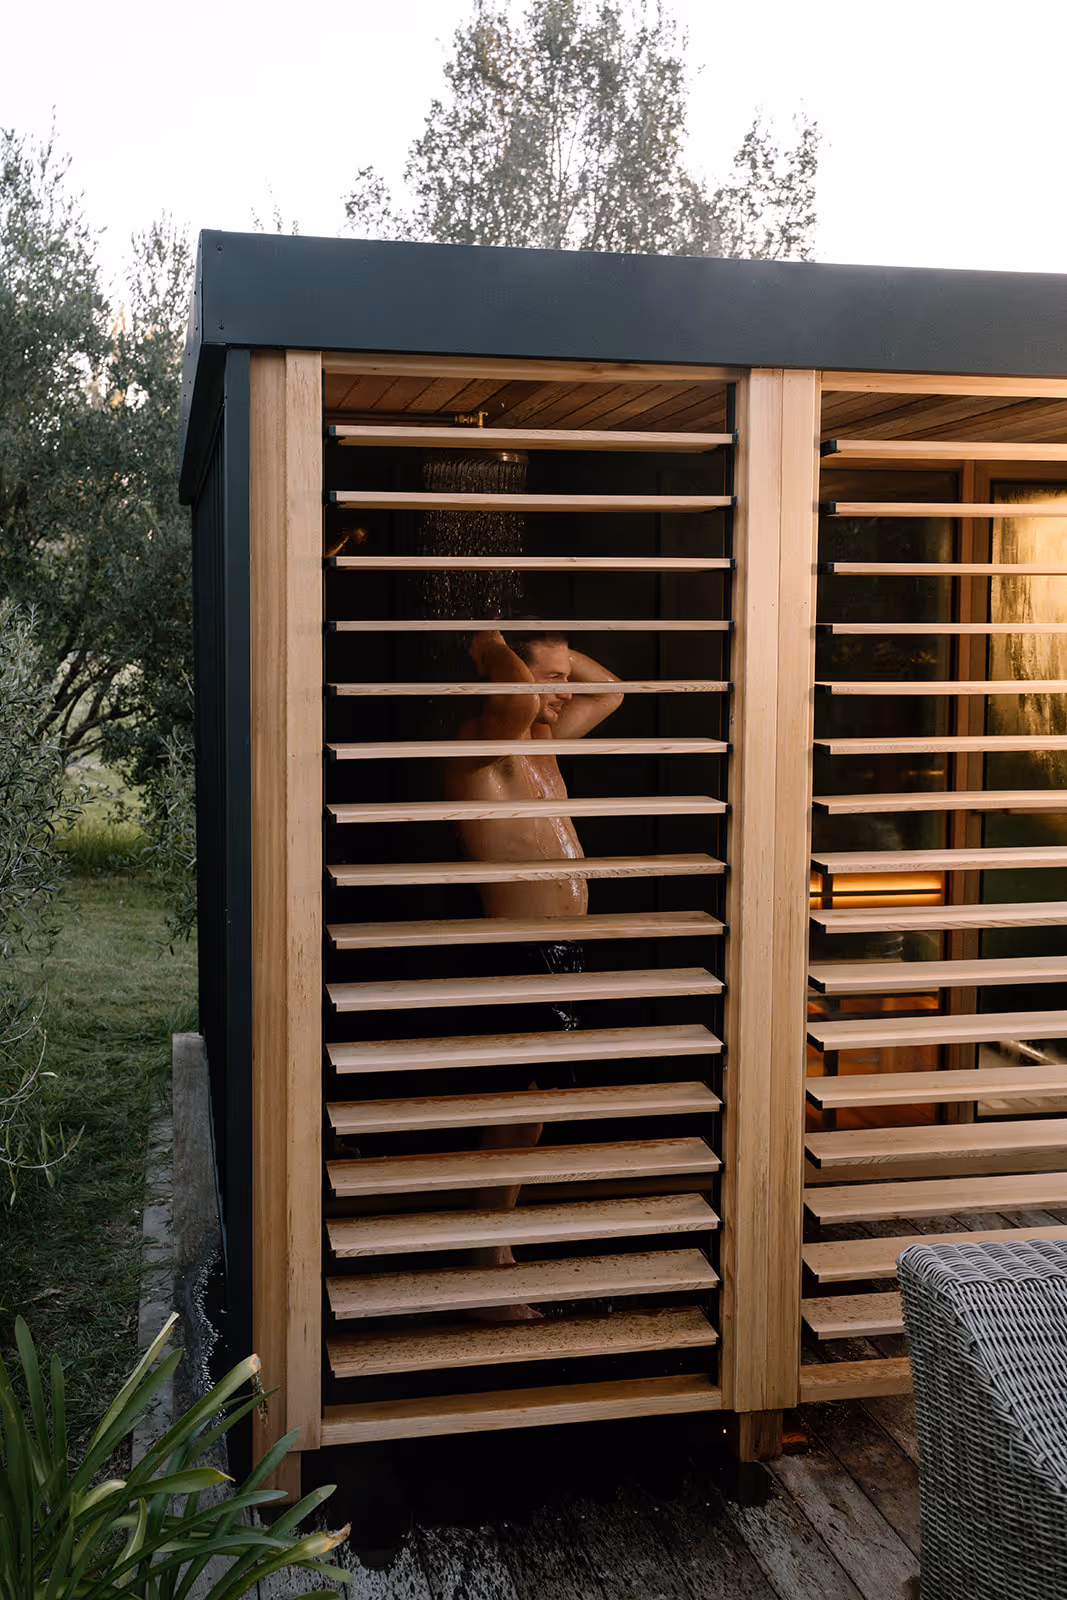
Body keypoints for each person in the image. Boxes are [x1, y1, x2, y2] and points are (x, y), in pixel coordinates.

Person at [446, 628, 624, 1319]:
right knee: (517, 1110)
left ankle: (496, 1246)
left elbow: (608, 689)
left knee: (534, 1111)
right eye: (546, 676)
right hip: (517, 951)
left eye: (559, 675)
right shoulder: (479, 748)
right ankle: (484, 1260)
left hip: (561, 953)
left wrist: (552, 649)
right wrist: (488, 640)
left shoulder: (544, 746)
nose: (562, 689)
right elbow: (517, 700)